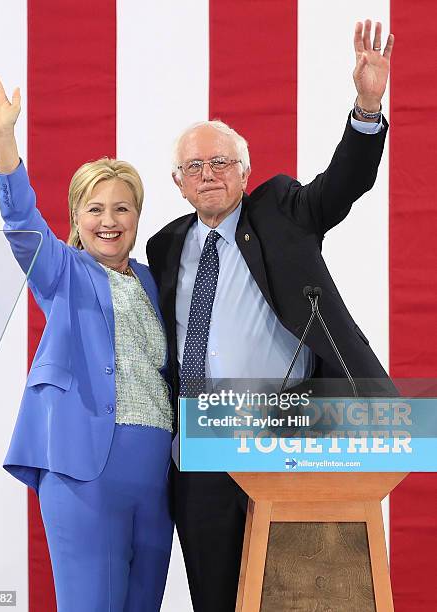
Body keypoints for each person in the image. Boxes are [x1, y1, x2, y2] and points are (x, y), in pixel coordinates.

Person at [146, 20, 396, 612]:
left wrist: (366, 106)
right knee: (214, 595)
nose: (209, 175)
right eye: (196, 167)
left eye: (222, 162)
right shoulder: (163, 247)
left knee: (293, 592)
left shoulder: (284, 210)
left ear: (245, 171)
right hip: (200, 449)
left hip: (285, 440)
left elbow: (346, 181)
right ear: (178, 183)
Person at [0, 72, 173, 612]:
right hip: (85, 466)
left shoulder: (156, 281)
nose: (109, 221)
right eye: (95, 209)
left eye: (121, 209)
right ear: (76, 218)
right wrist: (4, 139)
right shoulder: (61, 270)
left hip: (156, 471)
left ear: (137, 217)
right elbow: (20, 219)